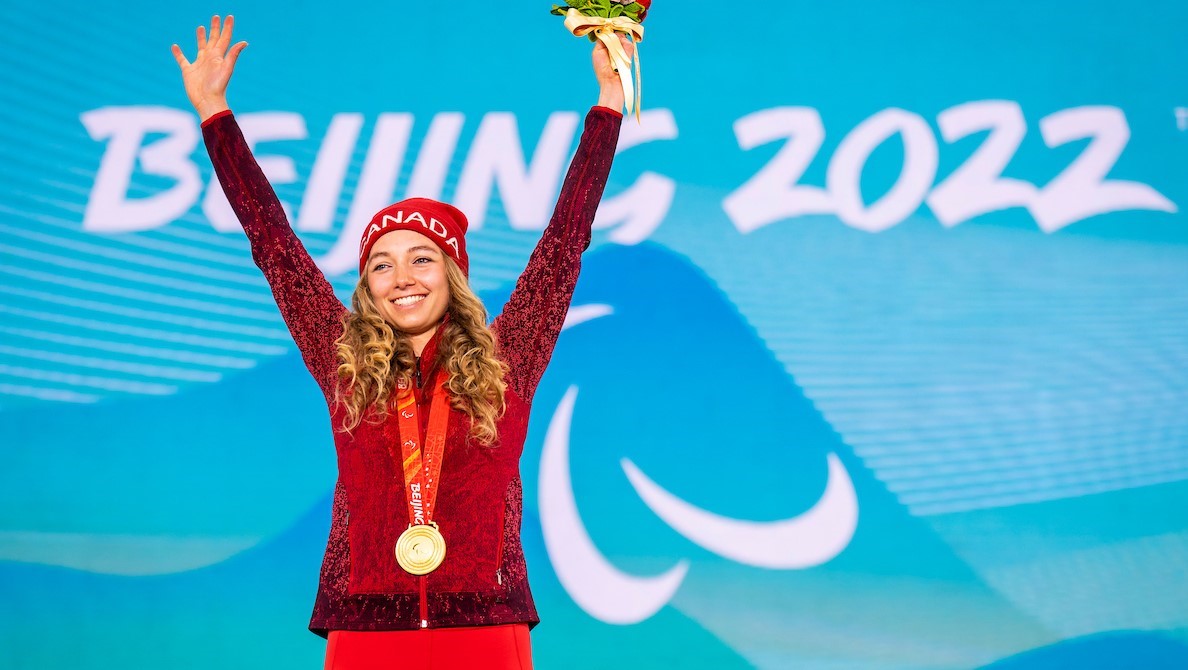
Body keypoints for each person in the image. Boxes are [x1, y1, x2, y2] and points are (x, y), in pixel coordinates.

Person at [171, 14, 630, 670]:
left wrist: (607, 105)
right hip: (365, 629)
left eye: (422, 258)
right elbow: (272, 243)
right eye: (380, 264)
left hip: (485, 627)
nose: (401, 277)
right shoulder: (344, 362)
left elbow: (565, 240)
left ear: (454, 273)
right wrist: (216, 114)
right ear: (367, 287)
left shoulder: (509, 359)